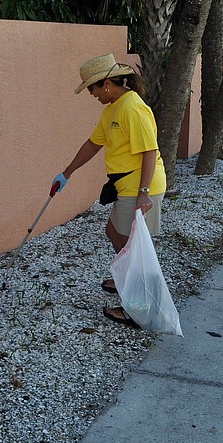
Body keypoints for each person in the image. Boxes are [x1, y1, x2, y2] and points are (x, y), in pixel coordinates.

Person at [53, 53, 166, 328]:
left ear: (105, 84)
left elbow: (150, 151)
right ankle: (128, 281)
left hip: (140, 185)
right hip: (123, 185)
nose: (91, 94)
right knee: (114, 233)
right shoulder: (113, 109)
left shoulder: (132, 108)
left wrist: (144, 192)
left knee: (135, 247)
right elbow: (92, 144)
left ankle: (138, 310)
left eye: (92, 88)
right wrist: (67, 173)